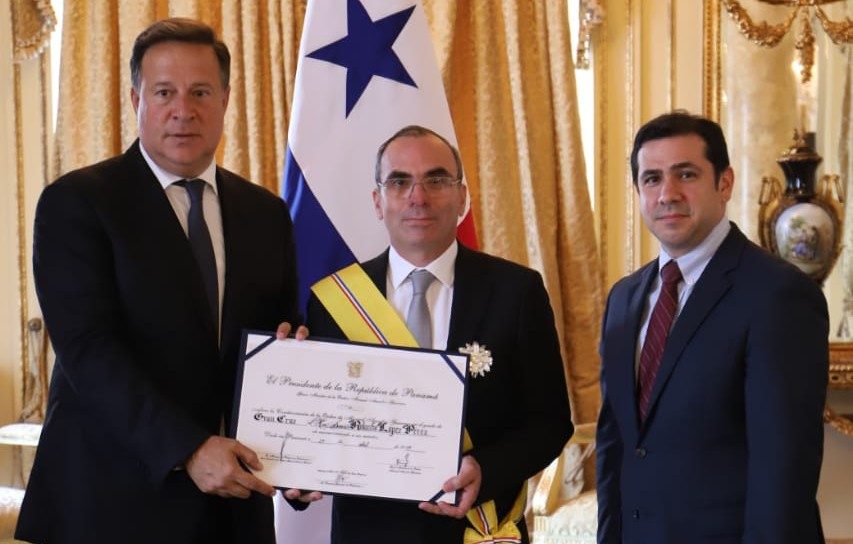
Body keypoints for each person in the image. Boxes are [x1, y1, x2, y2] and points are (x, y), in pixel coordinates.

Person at [17, 18, 309, 544]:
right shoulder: (78, 203)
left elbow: (279, 342)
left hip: (232, 510)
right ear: (136, 100)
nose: (183, 110)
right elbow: (89, 350)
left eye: (200, 92)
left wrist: (304, 451)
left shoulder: (265, 213)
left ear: (225, 98)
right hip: (110, 503)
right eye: (164, 92)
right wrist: (189, 449)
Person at [304, 125, 573, 542]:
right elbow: (314, 424)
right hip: (369, 533)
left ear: (462, 197)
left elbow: (551, 423)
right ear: (378, 202)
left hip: (477, 529)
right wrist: (296, 470)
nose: (418, 197)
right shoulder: (332, 301)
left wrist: (487, 468)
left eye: (436, 179)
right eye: (399, 182)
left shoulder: (516, 292)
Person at [596, 111, 828, 543]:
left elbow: (784, 468)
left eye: (686, 174)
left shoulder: (779, 295)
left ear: (724, 183)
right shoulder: (624, 299)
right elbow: (616, 448)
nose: (668, 194)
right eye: (651, 179)